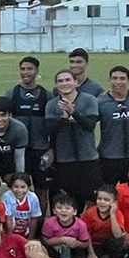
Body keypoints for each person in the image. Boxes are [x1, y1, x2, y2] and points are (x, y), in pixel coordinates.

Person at [44, 70, 101, 212]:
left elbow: (89, 126)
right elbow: (51, 131)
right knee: (68, 201)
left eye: (68, 80)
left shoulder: (88, 100)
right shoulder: (51, 105)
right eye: (60, 81)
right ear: (56, 85)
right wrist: (63, 117)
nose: (64, 84)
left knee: (91, 200)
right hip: (64, 160)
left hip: (88, 158)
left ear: (75, 82)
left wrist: (73, 112)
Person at [5, 56, 52, 202]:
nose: (26, 72)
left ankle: (39, 224)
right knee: (18, 187)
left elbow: (52, 126)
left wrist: (51, 149)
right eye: (23, 69)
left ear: (37, 70)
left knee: (42, 188)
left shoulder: (46, 95)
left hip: (40, 149)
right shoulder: (12, 94)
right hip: (19, 150)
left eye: (29, 69)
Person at [97, 65, 129, 185]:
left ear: (128, 80)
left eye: (122, 78)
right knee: (107, 193)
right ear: (109, 80)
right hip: (108, 157)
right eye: (114, 78)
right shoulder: (100, 102)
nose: (118, 82)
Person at [40, 192, 97, 258]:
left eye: (67, 208)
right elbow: (45, 240)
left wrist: (76, 243)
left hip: (75, 248)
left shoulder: (81, 224)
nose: (63, 211)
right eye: (59, 208)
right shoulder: (49, 223)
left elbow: (85, 242)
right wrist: (61, 240)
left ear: (74, 212)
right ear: (54, 211)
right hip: (55, 248)